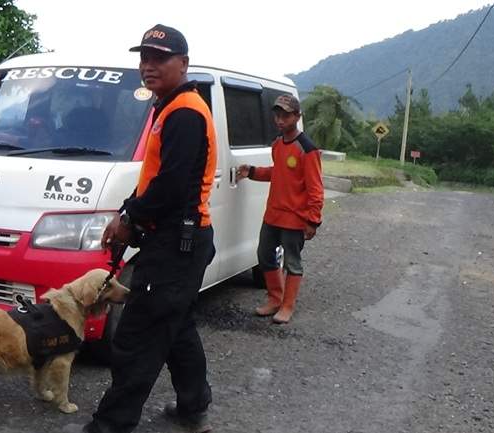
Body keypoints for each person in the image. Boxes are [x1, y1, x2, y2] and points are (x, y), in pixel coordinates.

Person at [63, 24, 217, 433]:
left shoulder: (184, 112)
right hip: (182, 239)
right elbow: (154, 178)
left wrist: (131, 219)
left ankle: (112, 423)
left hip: (176, 243)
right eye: (144, 57)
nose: (148, 66)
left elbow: (171, 185)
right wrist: (129, 210)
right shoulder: (170, 106)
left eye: (159, 58)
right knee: (177, 327)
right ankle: (194, 406)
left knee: (138, 336)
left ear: (183, 63)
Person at [236, 94, 324, 324]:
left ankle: (287, 306)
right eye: (277, 114)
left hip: (295, 218)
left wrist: (313, 220)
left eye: (286, 115)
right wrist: (253, 172)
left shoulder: (307, 149)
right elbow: (279, 173)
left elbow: (315, 188)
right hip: (273, 214)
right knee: (264, 256)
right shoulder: (278, 144)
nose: (280, 119)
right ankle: (275, 299)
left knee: (292, 263)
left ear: (297, 116)